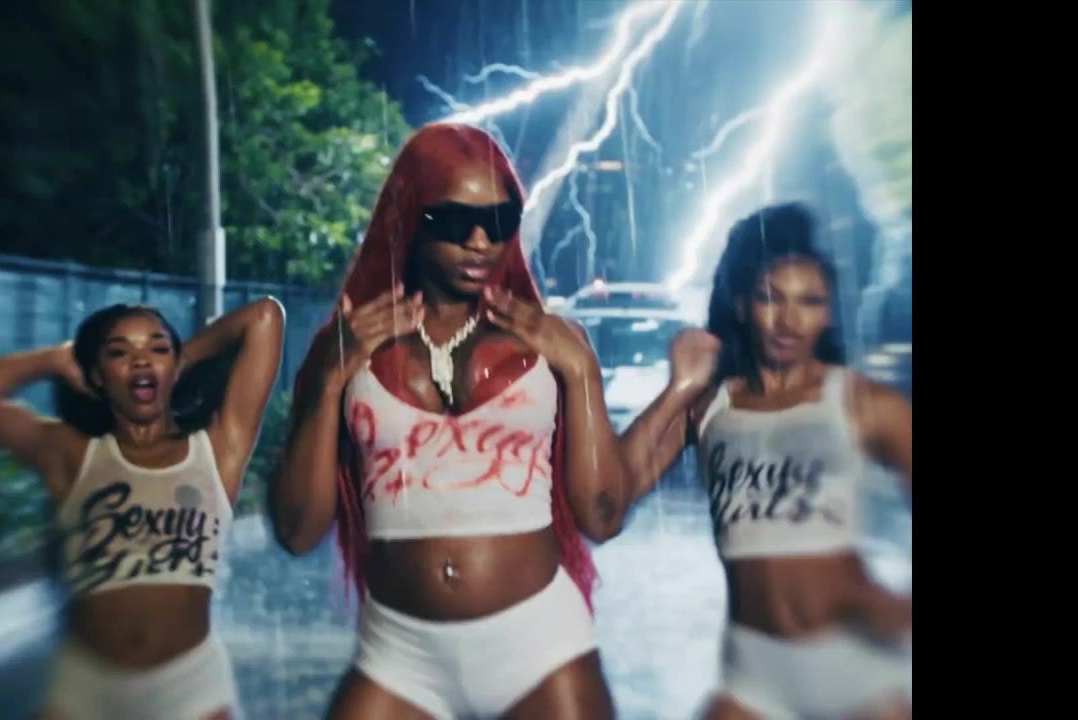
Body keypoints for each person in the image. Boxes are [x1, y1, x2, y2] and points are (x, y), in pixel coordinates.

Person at [269, 123, 630, 720]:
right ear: (409, 218)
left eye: (500, 220)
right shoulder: (345, 349)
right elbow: (297, 531)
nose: (481, 241)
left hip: (540, 643)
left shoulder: (552, 346)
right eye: (456, 221)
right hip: (399, 652)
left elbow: (603, 517)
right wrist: (328, 380)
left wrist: (583, 373)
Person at [619, 203, 912, 719]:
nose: (789, 320)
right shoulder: (709, 407)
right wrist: (677, 389)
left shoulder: (863, 402)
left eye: (810, 301)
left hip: (855, 667)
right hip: (752, 672)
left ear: (828, 311)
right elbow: (606, 505)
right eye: (770, 297)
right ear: (741, 303)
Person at [0, 298, 285, 720]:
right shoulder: (71, 453)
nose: (141, 360)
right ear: (96, 376)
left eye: (156, 347)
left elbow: (264, 317)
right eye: (119, 352)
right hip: (85, 687)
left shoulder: (217, 450)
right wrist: (55, 359)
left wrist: (178, 360)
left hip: (189, 685)